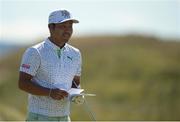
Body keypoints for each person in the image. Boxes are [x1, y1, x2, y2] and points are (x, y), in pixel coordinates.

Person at [18, 9, 82, 121]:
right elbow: (23, 83)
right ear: (51, 28)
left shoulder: (75, 53)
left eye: (70, 26)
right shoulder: (35, 52)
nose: (68, 30)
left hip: (65, 117)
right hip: (40, 116)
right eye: (63, 26)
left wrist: (76, 94)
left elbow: (75, 82)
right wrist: (50, 92)